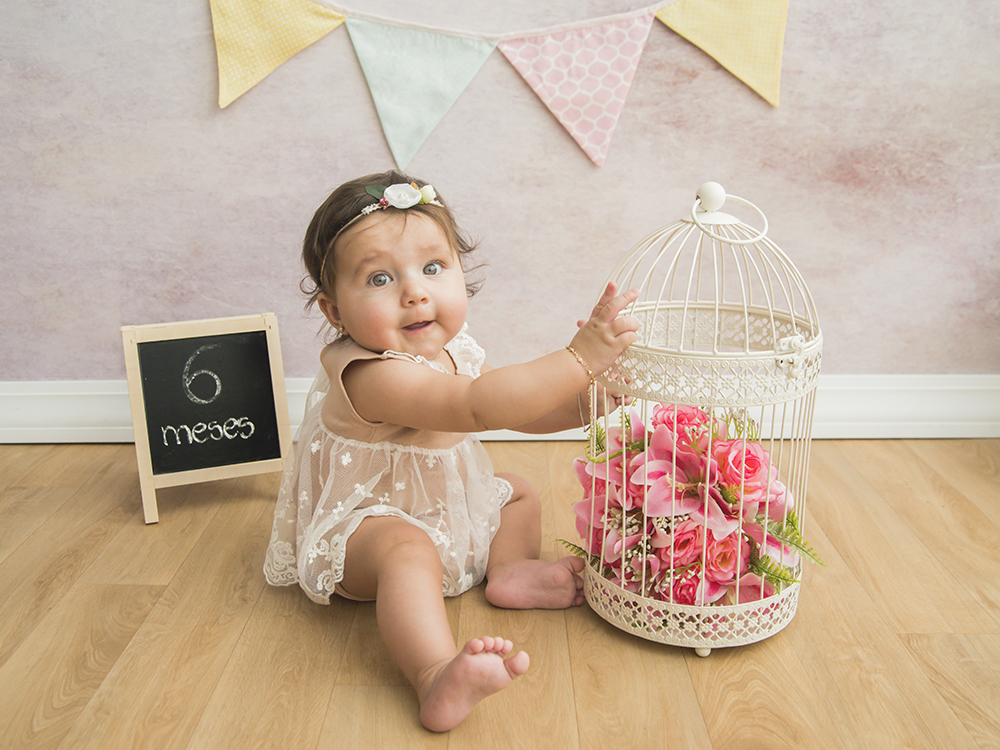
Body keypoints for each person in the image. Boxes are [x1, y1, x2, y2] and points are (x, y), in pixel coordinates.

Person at [264, 170, 638, 732]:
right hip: (365, 529)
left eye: (433, 267)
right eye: (380, 278)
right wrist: (577, 360)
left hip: (438, 506)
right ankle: (434, 673)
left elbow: (519, 413)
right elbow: (477, 407)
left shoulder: (454, 349)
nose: (415, 292)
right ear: (335, 312)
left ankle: (510, 571)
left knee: (517, 493)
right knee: (406, 548)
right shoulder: (369, 374)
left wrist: (589, 403)